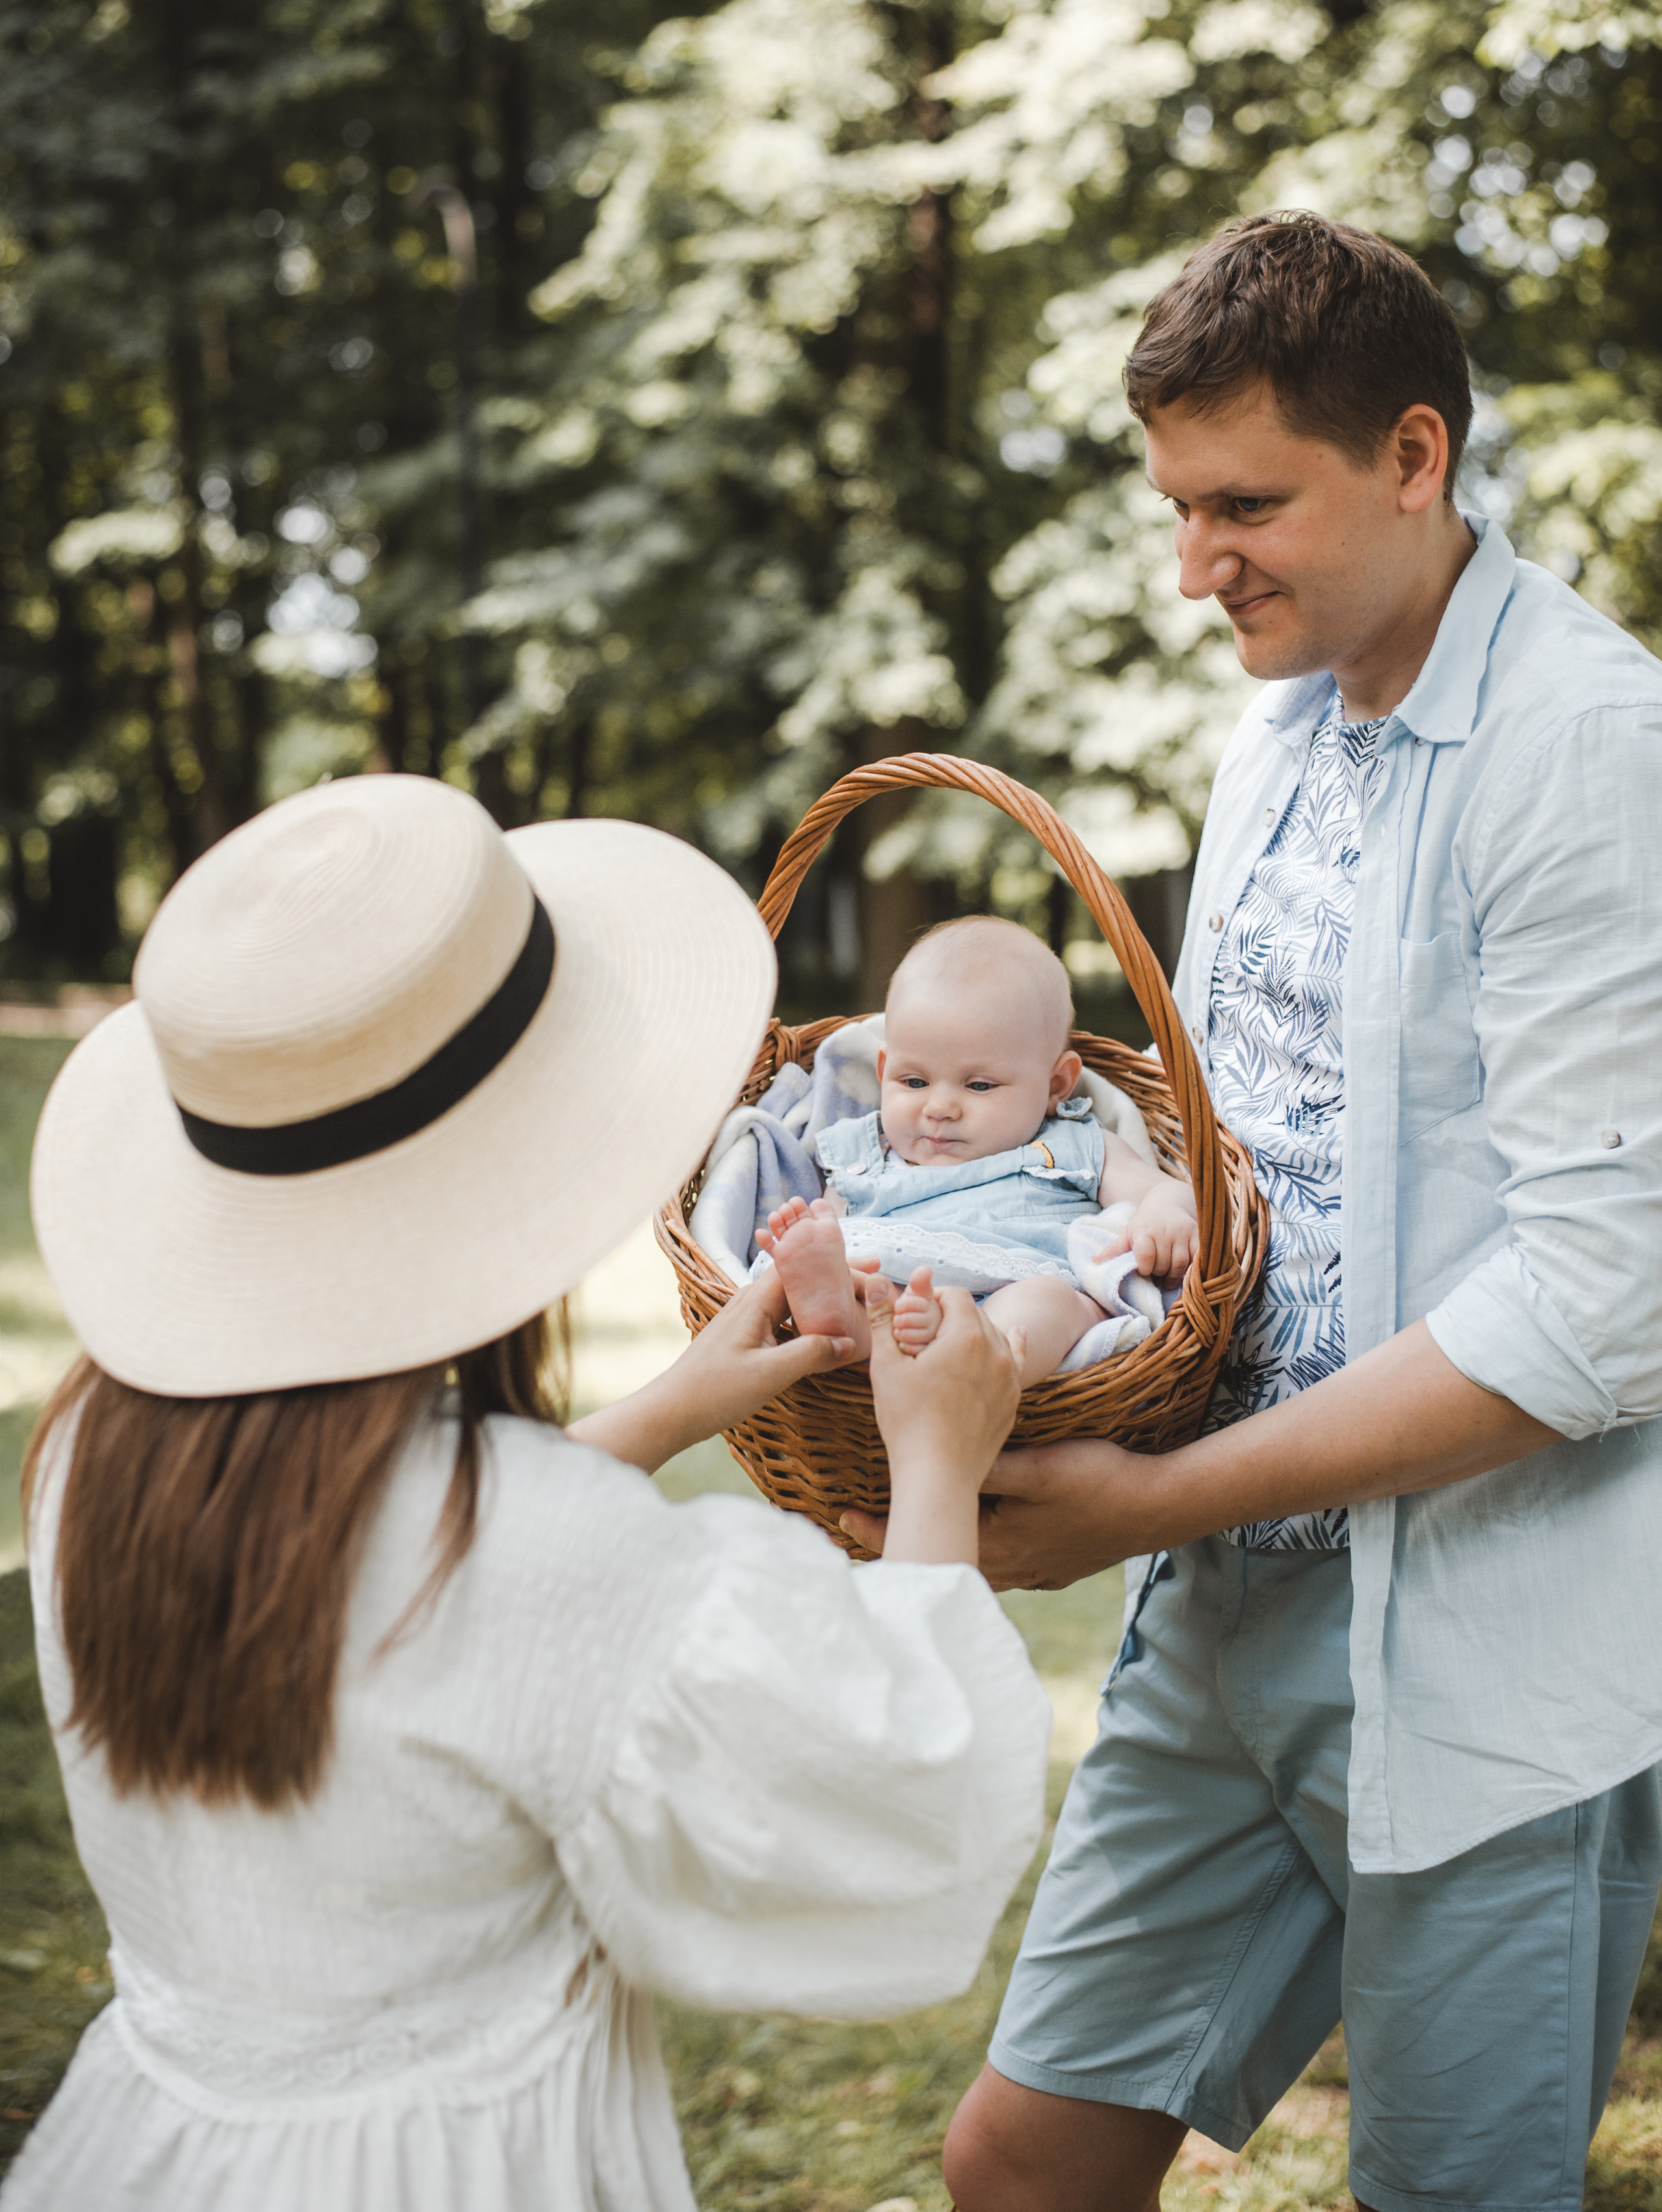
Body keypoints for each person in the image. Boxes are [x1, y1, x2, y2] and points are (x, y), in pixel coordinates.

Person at [845, 213, 1662, 2212]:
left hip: (1478, 1646)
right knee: (1023, 2165)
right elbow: (1233, 1154)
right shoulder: (1273, 722)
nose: (1196, 562)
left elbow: (1606, 1300)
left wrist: (1146, 1503)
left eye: (1244, 505)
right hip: (1214, 1618)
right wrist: (1054, 1289)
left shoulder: (1587, 749)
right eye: (1175, 507)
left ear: (1411, 455)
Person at [7, 773, 1050, 2212]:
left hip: (148, 2151)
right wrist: (939, 1466)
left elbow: (406, 1588)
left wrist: (678, 1401)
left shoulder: (86, 1466)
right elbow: (901, 1816)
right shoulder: (555, 1559)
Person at [758, 914, 1198, 1383]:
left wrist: (1164, 1215)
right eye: (914, 1081)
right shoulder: (865, 1152)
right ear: (884, 1070)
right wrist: (818, 1241)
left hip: (1019, 1293)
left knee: (1051, 1301)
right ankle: (851, 1330)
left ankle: (970, 1371)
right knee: (860, 1277)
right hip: (905, 1296)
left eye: (980, 1085)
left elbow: (1165, 1191)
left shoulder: (1076, 1142)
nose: (940, 1107)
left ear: (1055, 1085)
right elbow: (846, 1229)